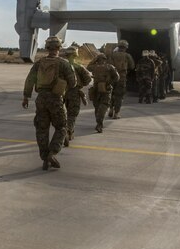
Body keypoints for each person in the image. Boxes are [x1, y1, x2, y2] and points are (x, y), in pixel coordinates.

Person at [22, 36, 76, 170]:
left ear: (47, 47)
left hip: (41, 99)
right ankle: (52, 152)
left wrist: (26, 97)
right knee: (61, 127)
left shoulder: (39, 63)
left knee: (42, 129)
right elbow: (73, 82)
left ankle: (45, 158)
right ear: (59, 47)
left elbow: (30, 80)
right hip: (56, 99)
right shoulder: (64, 63)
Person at [62, 46, 92, 147]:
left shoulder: (61, 66)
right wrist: (81, 84)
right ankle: (68, 131)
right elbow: (88, 79)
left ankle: (66, 132)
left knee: (62, 113)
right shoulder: (78, 66)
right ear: (76, 55)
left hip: (61, 92)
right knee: (72, 114)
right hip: (74, 92)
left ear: (66, 55)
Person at [87, 53, 119, 132]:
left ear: (97, 60)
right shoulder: (110, 67)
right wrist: (109, 82)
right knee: (104, 105)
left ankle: (99, 123)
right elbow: (117, 77)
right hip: (106, 89)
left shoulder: (94, 67)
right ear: (105, 59)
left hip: (96, 89)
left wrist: (94, 60)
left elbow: (88, 67)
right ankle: (99, 124)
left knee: (97, 107)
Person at [108, 39, 135, 119]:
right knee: (119, 95)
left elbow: (108, 66)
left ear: (118, 46)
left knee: (112, 93)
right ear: (126, 47)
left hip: (112, 77)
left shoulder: (112, 55)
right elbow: (132, 66)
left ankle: (111, 108)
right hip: (122, 78)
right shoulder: (127, 56)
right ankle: (116, 113)